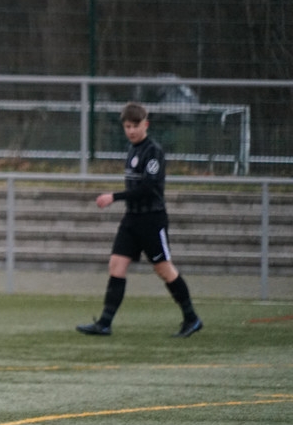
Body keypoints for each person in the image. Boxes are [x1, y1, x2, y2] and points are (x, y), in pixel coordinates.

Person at [76, 102, 203, 338]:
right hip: (132, 219)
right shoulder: (132, 149)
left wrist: (114, 197)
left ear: (146, 124)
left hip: (151, 220)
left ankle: (191, 318)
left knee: (164, 269)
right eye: (127, 126)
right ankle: (104, 323)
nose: (131, 131)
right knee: (116, 264)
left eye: (135, 126)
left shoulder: (153, 151)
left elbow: (148, 188)